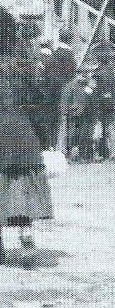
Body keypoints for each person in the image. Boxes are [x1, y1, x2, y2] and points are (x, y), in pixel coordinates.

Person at [1, 50, 55, 264]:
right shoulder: (26, 73)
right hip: (24, 138)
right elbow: (42, 107)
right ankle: (26, 239)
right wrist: (44, 139)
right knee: (24, 191)